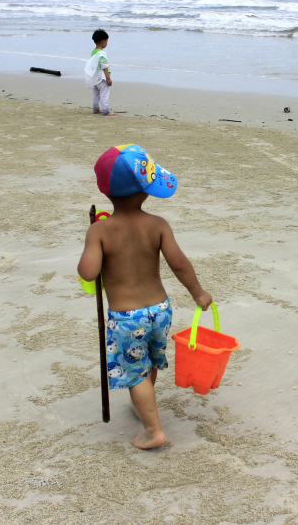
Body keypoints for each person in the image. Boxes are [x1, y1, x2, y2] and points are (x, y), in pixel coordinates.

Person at [77, 144, 213, 449]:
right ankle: (144, 406)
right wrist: (198, 293)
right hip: (160, 311)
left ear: (106, 193)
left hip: (127, 318)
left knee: (134, 373)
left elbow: (88, 273)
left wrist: (93, 239)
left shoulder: (101, 231)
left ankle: (153, 430)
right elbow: (179, 263)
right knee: (150, 360)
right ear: (146, 191)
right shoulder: (158, 225)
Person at [86, 29, 114, 116]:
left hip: (95, 78)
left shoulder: (94, 52)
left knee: (96, 94)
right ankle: (106, 111)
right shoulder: (102, 53)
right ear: (103, 41)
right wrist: (108, 78)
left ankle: (96, 109)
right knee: (104, 94)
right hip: (102, 77)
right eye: (107, 41)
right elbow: (104, 66)